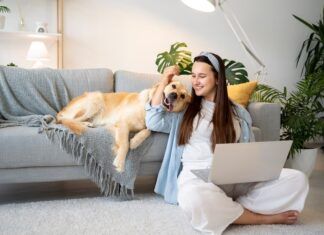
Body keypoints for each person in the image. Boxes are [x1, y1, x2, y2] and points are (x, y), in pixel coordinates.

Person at [145, 52, 309, 234]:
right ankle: (259, 217)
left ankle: (227, 209)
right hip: (196, 178)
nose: (195, 81)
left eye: (202, 76)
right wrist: (164, 80)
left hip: (234, 176)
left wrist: (258, 168)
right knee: (195, 199)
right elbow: (153, 120)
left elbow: (248, 152)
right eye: (193, 76)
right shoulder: (185, 109)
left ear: (217, 78)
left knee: (297, 179)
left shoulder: (238, 113)